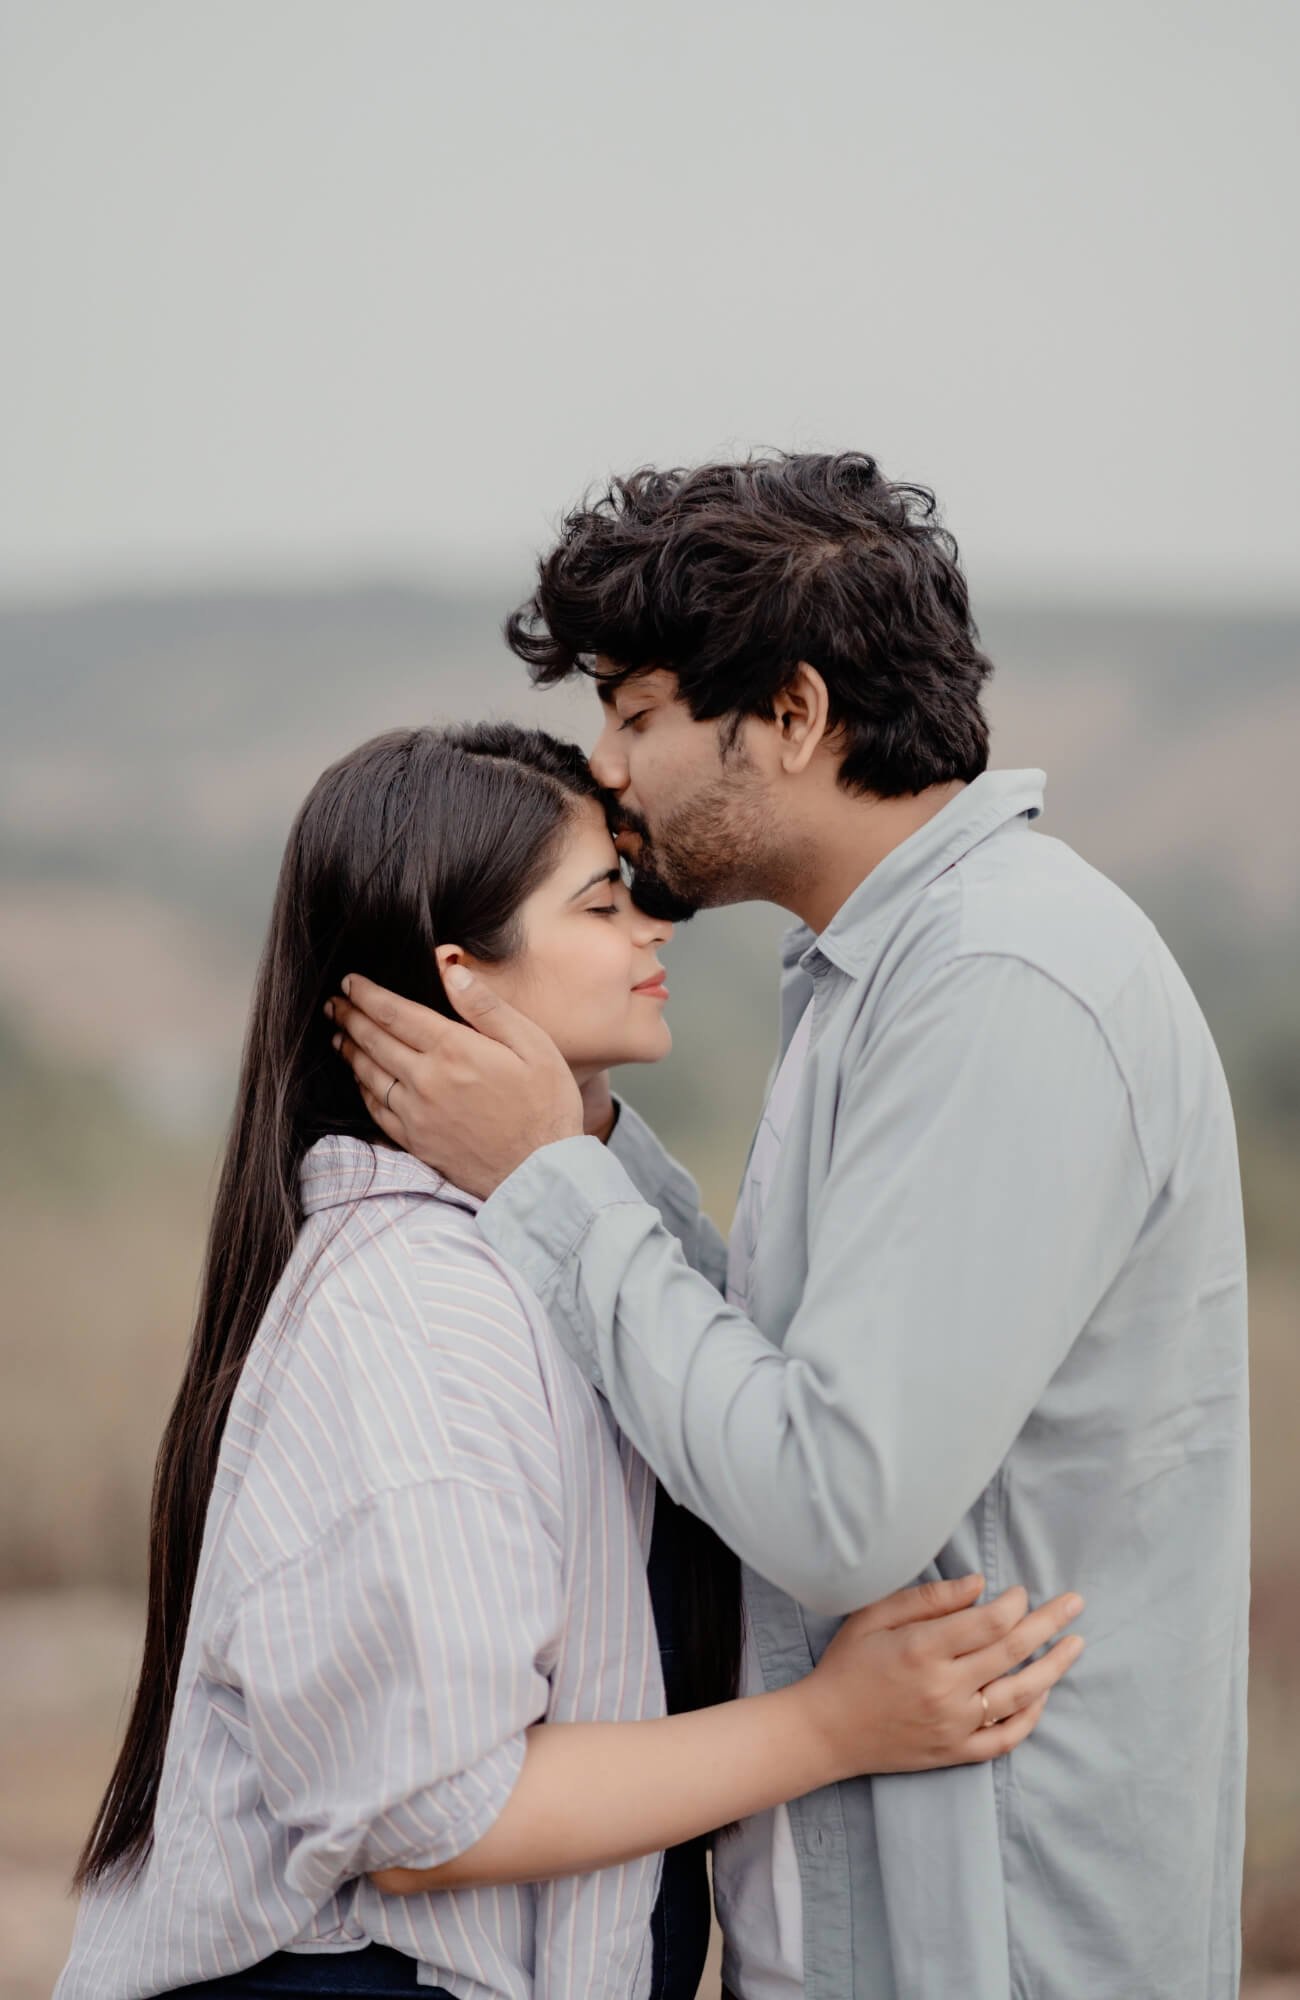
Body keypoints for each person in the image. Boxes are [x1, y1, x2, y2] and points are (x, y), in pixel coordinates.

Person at [329, 453, 1251, 2000]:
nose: (607, 769)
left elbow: (838, 1502)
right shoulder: (880, 977)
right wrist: (591, 1151)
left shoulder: (1000, 986)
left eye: (635, 715)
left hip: (995, 1940)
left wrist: (548, 1179)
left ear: (797, 717)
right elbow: (782, 1370)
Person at [56, 721, 1080, 2000]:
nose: (656, 930)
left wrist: (559, 1142)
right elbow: (439, 1813)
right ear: (461, 978)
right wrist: (835, 1723)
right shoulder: (418, 1304)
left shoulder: (559, 1248)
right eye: (604, 902)